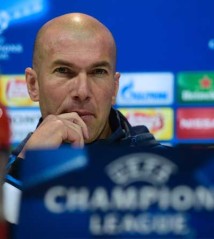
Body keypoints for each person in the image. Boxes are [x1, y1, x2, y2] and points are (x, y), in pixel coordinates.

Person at [6, 12, 162, 188]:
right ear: (33, 85)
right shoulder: (8, 174)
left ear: (114, 88)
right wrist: (25, 168)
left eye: (98, 72)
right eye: (64, 71)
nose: (82, 91)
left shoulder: (169, 173)